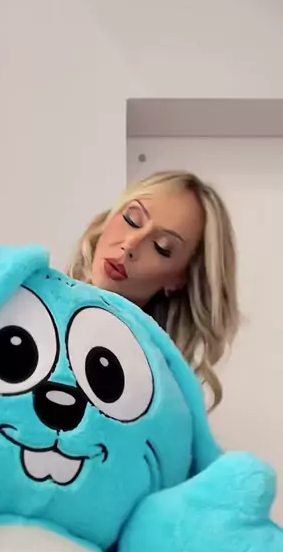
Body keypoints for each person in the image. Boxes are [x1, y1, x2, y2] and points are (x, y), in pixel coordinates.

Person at [67, 170, 240, 410]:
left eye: (162, 247)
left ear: (178, 280)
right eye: (132, 220)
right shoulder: (27, 303)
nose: (130, 245)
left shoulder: (157, 393)